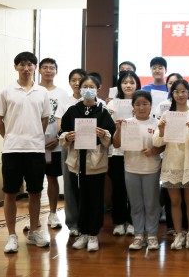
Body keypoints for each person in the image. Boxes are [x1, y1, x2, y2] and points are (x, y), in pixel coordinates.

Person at [0, 52, 52, 254]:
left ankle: (34, 232)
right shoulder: (6, 91)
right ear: (16, 67)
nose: (26, 68)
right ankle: (12, 236)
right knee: (10, 192)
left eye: (30, 65)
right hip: (12, 149)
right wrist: (9, 136)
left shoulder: (42, 92)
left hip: (35, 149)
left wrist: (35, 136)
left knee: (35, 192)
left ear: (35, 68)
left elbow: (44, 119)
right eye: (22, 64)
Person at [59, 74, 116, 252]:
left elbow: (111, 137)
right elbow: (62, 132)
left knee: (95, 198)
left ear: (98, 89)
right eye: (85, 86)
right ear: (80, 88)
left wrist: (103, 134)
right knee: (80, 197)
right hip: (77, 161)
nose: (88, 90)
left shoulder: (103, 111)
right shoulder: (72, 110)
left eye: (92, 87)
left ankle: (93, 234)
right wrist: (67, 137)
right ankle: (83, 232)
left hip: (95, 162)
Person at [153, 79, 189, 250]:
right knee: (175, 201)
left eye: (184, 91)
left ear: (188, 93)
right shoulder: (167, 115)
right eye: (177, 91)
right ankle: (178, 234)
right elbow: (156, 141)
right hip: (172, 161)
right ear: (172, 94)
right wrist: (162, 130)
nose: (180, 94)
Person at [113, 90, 164, 250]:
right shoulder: (127, 123)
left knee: (151, 204)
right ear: (133, 106)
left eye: (145, 104)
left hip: (151, 169)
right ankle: (138, 235)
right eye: (138, 104)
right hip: (131, 168)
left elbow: (164, 144)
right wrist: (118, 129)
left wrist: (154, 151)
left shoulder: (157, 123)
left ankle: (152, 235)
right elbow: (116, 144)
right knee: (135, 204)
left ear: (150, 105)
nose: (141, 107)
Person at [107, 70, 141, 236]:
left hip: (136, 151)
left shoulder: (141, 103)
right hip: (117, 152)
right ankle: (119, 222)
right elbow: (107, 128)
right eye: (125, 82)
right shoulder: (112, 104)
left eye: (132, 82)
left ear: (137, 85)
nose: (128, 85)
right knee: (118, 188)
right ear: (119, 85)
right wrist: (110, 115)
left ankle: (133, 221)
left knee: (134, 190)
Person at [56, 68, 88, 237]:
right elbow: (60, 126)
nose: (77, 83)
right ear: (69, 82)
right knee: (69, 185)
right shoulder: (64, 102)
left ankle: (86, 222)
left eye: (80, 80)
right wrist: (69, 135)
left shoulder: (94, 102)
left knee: (87, 186)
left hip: (90, 149)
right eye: (73, 80)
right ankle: (72, 223)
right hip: (69, 147)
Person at [37, 58, 69, 231]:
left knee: (52, 178)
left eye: (52, 68)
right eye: (45, 67)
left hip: (54, 144)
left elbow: (65, 119)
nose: (48, 70)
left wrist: (58, 138)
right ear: (39, 70)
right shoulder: (34, 90)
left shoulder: (62, 94)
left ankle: (52, 213)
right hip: (34, 144)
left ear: (56, 71)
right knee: (34, 179)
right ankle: (34, 215)